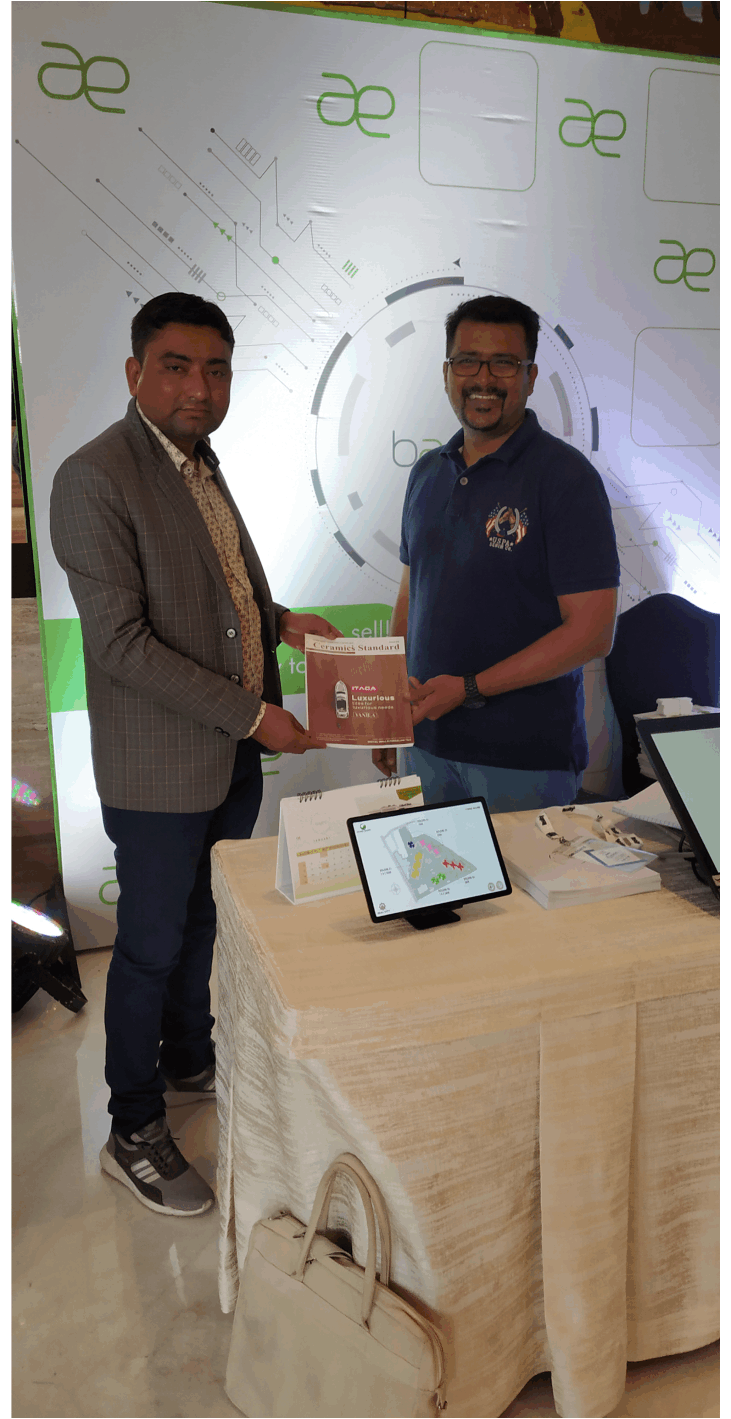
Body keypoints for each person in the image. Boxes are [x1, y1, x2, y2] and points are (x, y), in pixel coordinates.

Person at [50, 293, 339, 1217]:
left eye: (216, 369)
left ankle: (187, 1059)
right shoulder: (94, 476)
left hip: (228, 758)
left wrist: (282, 622)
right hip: (160, 769)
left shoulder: (201, 462)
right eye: (176, 366)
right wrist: (256, 715)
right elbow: (121, 644)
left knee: (203, 926)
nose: (199, 387)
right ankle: (132, 1128)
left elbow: (217, 591)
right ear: (135, 371)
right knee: (146, 948)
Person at [373, 294, 620, 810]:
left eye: (504, 363)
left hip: (524, 761)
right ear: (447, 373)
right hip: (427, 746)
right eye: (468, 361)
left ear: (530, 377)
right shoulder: (427, 473)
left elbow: (593, 632)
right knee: (433, 868)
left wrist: (469, 688)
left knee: (521, 872)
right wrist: (388, 712)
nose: (483, 378)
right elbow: (411, 596)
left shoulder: (566, 478)